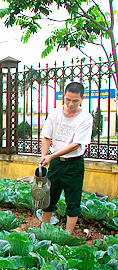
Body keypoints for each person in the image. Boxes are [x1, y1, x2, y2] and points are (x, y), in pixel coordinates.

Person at [38, 82, 93, 235]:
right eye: (68, 99)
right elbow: (47, 137)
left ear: (82, 98)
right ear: (64, 96)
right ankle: (45, 231)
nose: (70, 103)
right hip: (55, 164)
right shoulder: (55, 113)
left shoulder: (86, 118)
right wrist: (44, 157)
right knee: (48, 198)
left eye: (75, 100)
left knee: (73, 201)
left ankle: (67, 235)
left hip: (74, 164)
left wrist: (51, 155)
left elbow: (75, 145)